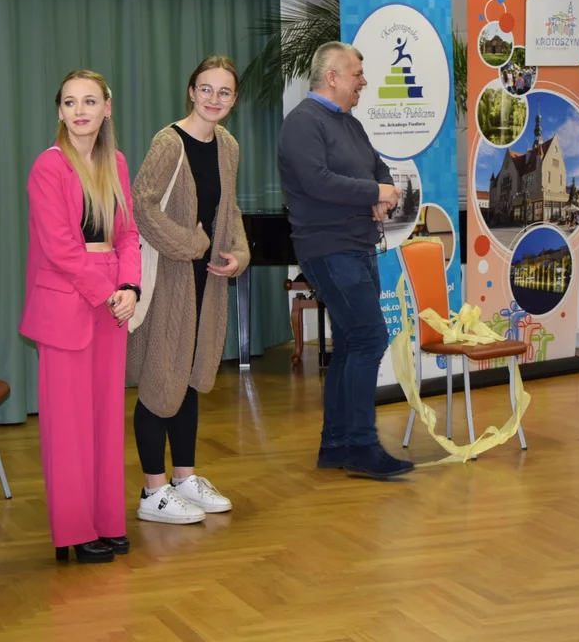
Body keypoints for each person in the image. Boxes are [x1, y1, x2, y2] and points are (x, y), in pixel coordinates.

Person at [277, 41, 415, 480]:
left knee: (354, 344)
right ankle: (360, 444)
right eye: (357, 73)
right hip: (329, 248)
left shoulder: (349, 124)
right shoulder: (302, 123)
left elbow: (378, 169)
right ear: (332, 76)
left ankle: (336, 444)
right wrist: (375, 194)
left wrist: (382, 192)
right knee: (369, 338)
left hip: (357, 245)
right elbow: (318, 182)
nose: (364, 81)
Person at [19, 71, 141, 564]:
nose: (80, 110)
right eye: (69, 102)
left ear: (107, 107)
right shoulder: (48, 167)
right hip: (71, 301)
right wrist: (109, 293)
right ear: (59, 111)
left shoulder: (116, 163)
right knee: (69, 426)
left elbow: (128, 233)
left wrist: (130, 287)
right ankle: (72, 530)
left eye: (89, 101)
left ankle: (107, 521)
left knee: (106, 420)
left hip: (112, 297)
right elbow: (62, 249)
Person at [127, 55, 250, 524]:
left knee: (192, 377)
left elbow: (230, 209)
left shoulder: (228, 147)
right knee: (162, 379)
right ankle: (152, 491)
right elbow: (141, 204)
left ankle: (184, 478)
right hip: (170, 279)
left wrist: (238, 252)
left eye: (224, 92)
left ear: (233, 100)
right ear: (191, 91)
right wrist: (191, 244)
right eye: (206, 89)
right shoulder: (169, 142)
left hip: (208, 281)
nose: (214, 99)